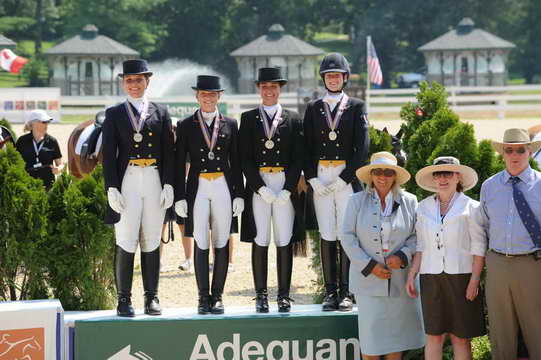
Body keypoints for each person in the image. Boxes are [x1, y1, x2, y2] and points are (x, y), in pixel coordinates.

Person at [102, 59, 175, 317]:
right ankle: (124, 299)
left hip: (154, 177)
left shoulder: (161, 111)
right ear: (124, 83)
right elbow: (109, 155)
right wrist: (111, 186)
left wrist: (169, 183)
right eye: (129, 80)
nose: (134, 85)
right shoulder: (114, 114)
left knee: (152, 238)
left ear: (147, 81)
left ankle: (151, 297)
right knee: (126, 238)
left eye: (138, 80)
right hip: (129, 178)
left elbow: (169, 152)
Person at [340, 152, 424, 359]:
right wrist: (370, 266)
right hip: (367, 281)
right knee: (370, 345)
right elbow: (346, 237)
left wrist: (403, 256)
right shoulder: (355, 201)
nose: (382, 176)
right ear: (371, 175)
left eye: (388, 172)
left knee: (395, 342)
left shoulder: (411, 201)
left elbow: (418, 237)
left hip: (400, 281)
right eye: (377, 171)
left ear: (395, 175)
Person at [304, 52, 370, 311]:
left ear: (345, 78)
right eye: (329, 76)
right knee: (327, 233)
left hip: (345, 174)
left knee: (346, 234)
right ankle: (330, 291)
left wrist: (345, 178)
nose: (333, 79)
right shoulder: (313, 108)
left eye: (337, 75)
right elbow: (305, 147)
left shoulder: (356, 106)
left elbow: (362, 147)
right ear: (324, 78)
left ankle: (347, 292)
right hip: (321, 173)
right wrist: (312, 177)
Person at [174, 75, 244, 315]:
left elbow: (236, 160)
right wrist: (180, 196)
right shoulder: (185, 125)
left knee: (221, 239)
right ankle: (203, 296)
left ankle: (218, 296)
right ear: (197, 96)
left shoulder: (231, 124)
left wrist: (239, 194)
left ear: (219, 96)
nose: (208, 98)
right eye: (204, 94)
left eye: (212, 94)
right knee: (202, 240)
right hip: (199, 186)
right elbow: (178, 162)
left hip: (223, 185)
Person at [406, 156, 486, 360]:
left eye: (448, 173)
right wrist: (412, 274)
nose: (442, 179)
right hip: (430, 278)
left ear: (458, 176)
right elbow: (421, 246)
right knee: (433, 337)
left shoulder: (472, 207)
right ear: (433, 178)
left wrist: (474, 280)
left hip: (462, 278)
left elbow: (479, 246)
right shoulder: (423, 207)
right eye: (438, 174)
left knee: (460, 338)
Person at [239, 67, 305, 313]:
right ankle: (261, 295)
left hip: (283, 182)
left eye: (273, 87)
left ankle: (284, 295)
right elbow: (244, 158)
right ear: (259, 89)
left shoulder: (293, 118)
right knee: (261, 238)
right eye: (265, 87)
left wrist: (288, 188)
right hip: (260, 185)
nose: (269, 91)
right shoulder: (248, 119)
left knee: (284, 238)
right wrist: (258, 186)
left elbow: (299, 157)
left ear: (280, 89)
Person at [472, 128, 541, 360]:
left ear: (529, 152)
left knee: (537, 329)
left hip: (533, 264)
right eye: (509, 149)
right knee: (501, 332)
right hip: (498, 263)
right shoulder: (489, 186)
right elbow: (482, 229)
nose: (515, 155)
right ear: (502, 153)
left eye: (520, 150)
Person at [15, 109, 62, 190]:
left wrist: (59, 169)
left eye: (47, 122)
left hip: (48, 187)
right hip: (26, 187)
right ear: (34, 123)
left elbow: (60, 165)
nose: (47, 124)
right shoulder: (21, 141)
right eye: (44, 122)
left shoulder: (52, 141)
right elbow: (15, 164)